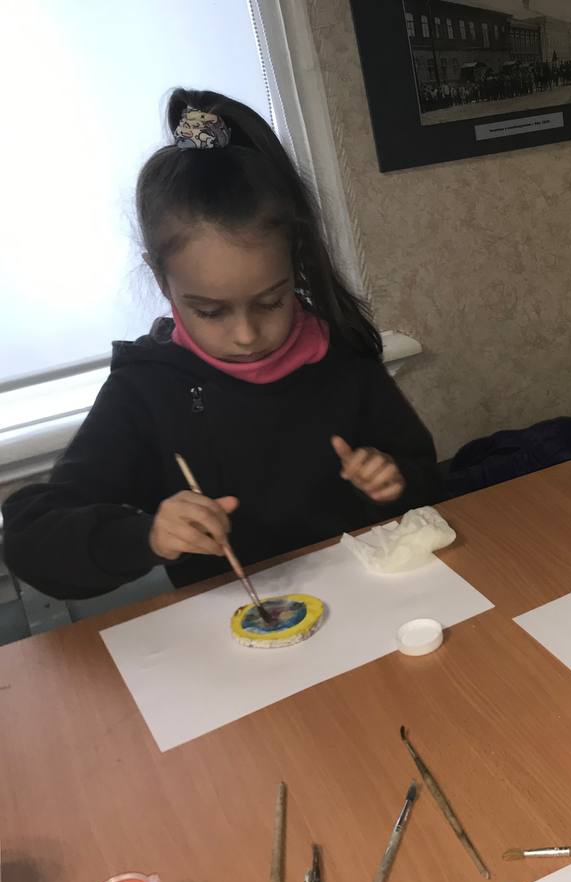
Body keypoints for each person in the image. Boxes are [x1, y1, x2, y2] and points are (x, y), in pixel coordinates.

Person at [3, 89, 442, 599]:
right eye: (211, 312)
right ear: (162, 280)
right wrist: (146, 537)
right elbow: (30, 539)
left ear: (295, 263)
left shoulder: (339, 355)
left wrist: (393, 483)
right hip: (235, 623)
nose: (246, 335)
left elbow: (425, 479)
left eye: (271, 302)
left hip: (371, 596)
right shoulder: (145, 391)